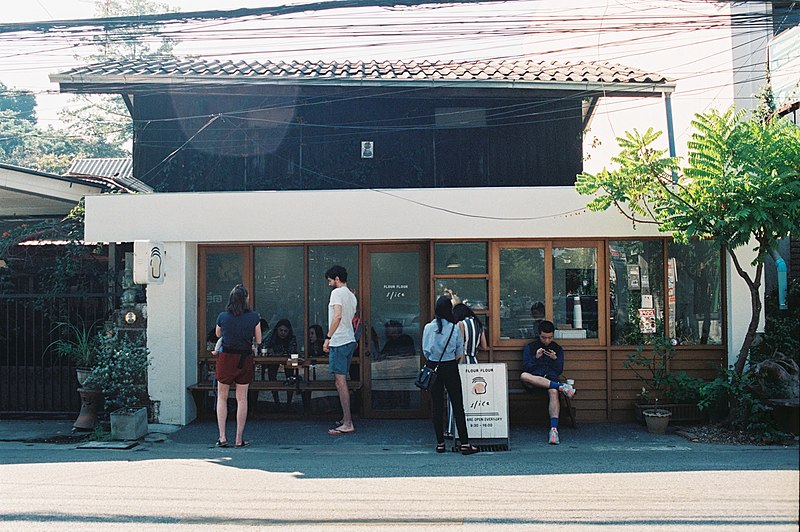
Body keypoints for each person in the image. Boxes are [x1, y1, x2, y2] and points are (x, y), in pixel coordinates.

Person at [422, 295, 478, 455]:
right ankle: (465, 444)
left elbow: (426, 350)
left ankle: (440, 443)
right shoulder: (454, 328)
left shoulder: (428, 328)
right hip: (450, 367)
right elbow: (459, 351)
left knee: (437, 405)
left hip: (433, 365)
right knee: (457, 404)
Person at [214, 284, 261, 448]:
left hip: (226, 357)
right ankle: (239, 439)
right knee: (242, 399)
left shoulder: (222, 316)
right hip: (244, 358)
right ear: (246, 299)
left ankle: (222, 437)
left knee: (222, 397)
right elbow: (259, 339)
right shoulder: (254, 317)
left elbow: (218, 334)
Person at [520, 320, 576, 445]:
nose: (546, 341)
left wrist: (555, 359)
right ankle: (562, 387)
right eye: (543, 337)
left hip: (550, 379)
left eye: (550, 338)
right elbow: (526, 367)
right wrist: (536, 358)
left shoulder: (557, 348)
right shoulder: (531, 347)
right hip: (534, 380)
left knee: (553, 392)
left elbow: (559, 370)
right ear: (539, 335)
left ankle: (554, 430)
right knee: (524, 376)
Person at [323, 265, 358, 436]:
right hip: (349, 339)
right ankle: (346, 419)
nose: (329, 283)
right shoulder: (352, 295)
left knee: (340, 382)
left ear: (337, 279)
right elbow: (350, 318)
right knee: (342, 381)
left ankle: (347, 422)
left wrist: (328, 337)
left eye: (330, 280)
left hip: (339, 340)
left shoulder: (336, 293)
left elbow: (337, 316)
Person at [445, 303, 488, 438]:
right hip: (474, 362)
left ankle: (452, 430)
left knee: (454, 397)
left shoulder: (460, 325)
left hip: (461, 363)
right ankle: (474, 428)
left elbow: (459, 347)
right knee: (473, 396)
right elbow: (485, 347)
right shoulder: (479, 324)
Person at [265, 318, 299, 404]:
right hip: (273, 361)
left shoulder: (292, 338)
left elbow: (293, 352)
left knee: (290, 376)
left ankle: (289, 402)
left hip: (288, 361)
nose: (283, 333)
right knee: (272, 374)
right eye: (281, 330)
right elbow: (264, 347)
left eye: (285, 331)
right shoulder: (272, 337)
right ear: (277, 330)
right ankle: (276, 401)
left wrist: (279, 353)